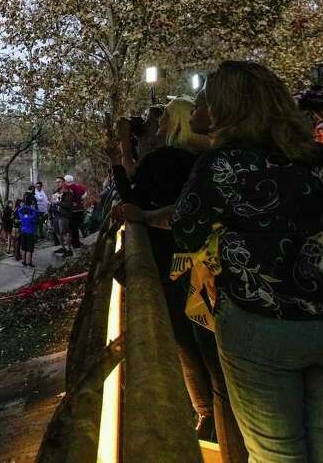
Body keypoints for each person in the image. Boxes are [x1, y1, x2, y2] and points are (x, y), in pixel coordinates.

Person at [171, 61, 323, 463]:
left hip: (263, 321)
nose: (199, 108)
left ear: (225, 109)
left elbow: (186, 232)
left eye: (205, 101)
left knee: (276, 453)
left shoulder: (222, 164)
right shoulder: (320, 157)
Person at [112, 97, 234, 449]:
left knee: (189, 340)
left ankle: (209, 419)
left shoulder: (166, 159)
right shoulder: (205, 158)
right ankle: (220, 423)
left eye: (163, 117)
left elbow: (136, 196)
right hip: (213, 264)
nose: (157, 123)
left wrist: (123, 155)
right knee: (212, 344)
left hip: (180, 264)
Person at [63, 174, 86, 249]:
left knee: (72, 228)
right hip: (80, 209)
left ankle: (75, 244)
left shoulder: (67, 188)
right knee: (76, 227)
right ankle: (77, 242)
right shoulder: (78, 187)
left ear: (66, 181)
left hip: (72, 211)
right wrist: (81, 199)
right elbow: (85, 193)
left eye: (64, 181)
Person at [16, 198, 39, 267]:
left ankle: (24, 262)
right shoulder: (31, 217)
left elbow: (19, 210)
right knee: (29, 249)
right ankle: (29, 263)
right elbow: (36, 212)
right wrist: (31, 207)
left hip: (23, 233)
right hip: (30, 233)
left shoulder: (22, 216)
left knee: (23, 248)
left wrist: (23, 206)